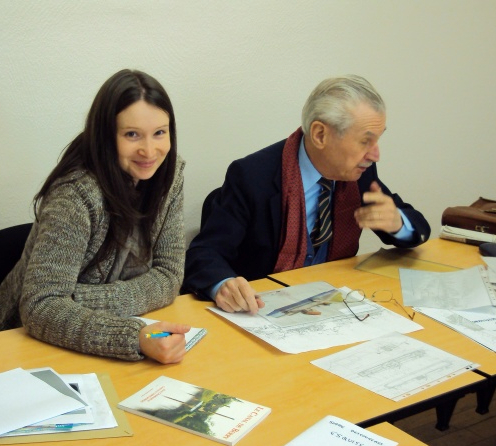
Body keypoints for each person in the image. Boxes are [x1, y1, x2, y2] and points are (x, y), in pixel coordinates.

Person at [183, 75, 431, 314]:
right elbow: (205, 252)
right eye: (365, 141)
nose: (375, 154)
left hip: (331, 303)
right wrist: (223, 284)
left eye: (378, 140)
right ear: (320, 134)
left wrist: (398, 223)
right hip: (263, 310)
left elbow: (418, 227)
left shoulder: (360, 172)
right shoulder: (252, 176)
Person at [0, 69, 190, 364]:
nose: (150, 150)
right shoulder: (75, 195)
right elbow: (40, 307)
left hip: (101, 334)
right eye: (131, 134)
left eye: (160, 133)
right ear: (105, 136)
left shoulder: (169, 174)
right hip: (26, 346)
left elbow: (170, 276)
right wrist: (134, 336)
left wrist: (78, 300)